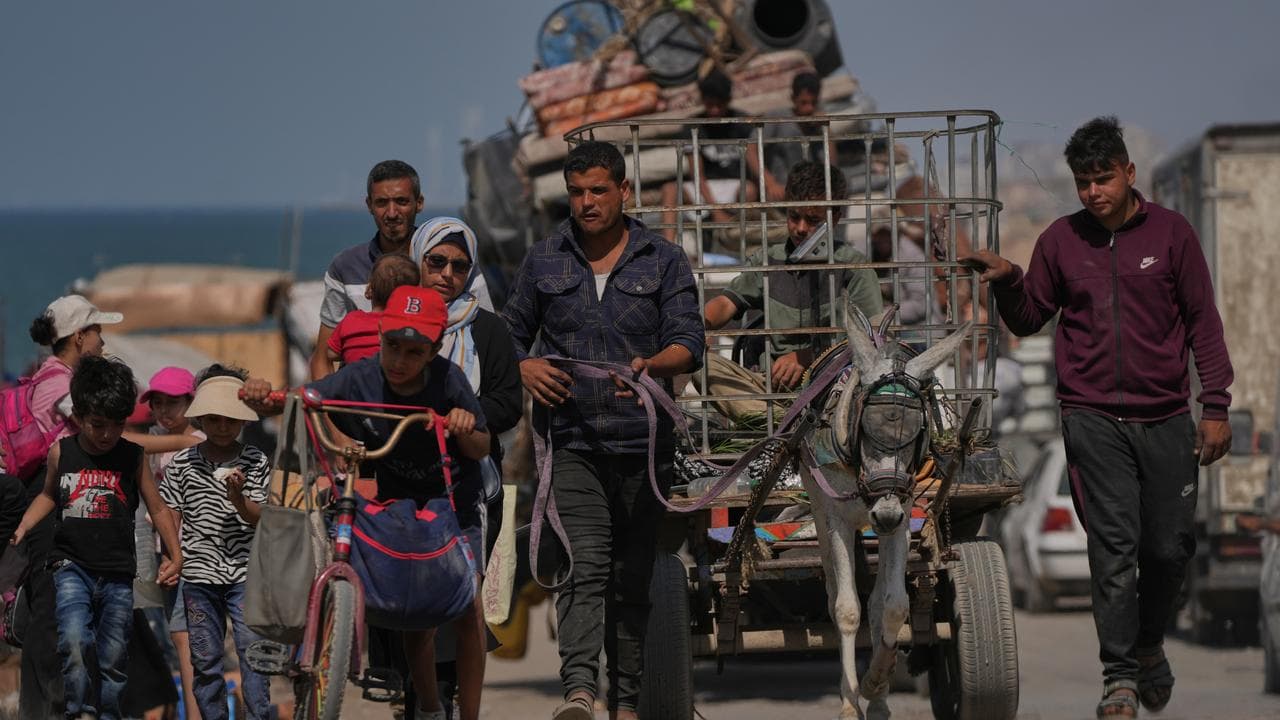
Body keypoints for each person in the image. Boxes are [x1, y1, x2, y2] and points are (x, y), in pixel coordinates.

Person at [960, 116, 1234, 719]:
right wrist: (1008, 281)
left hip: (1166, 416)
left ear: (1129, 173)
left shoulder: (1173, 234)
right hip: (1091, 417)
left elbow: (1203, 323)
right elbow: (1029, 317)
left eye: (1102, 178)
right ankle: (1119, 679)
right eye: (1083, 182)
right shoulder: (1060, 241)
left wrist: (1215, 405)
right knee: (1113, 547)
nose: (1092, 192)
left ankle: (1149, 647)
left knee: (1169, 549)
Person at [502, 140, 703, 720]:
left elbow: (689, 341)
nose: (586, 202)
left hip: (644, 447)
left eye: (597, 190)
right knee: (584, 565)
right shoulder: (544, 260)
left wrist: (652, 366)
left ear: (623, 191)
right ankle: (579, 694)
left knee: (631, 577)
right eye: (576, 192)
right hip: (572, 445)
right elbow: (507, 336)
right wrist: (525, 366)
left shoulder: (663, 259)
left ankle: (627, 702)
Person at [246, 285, 491, 720]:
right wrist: (265, 398)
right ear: (379, 336)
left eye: (413, 353)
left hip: (453, 503)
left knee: (468, 608)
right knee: (416, 614)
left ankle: (469, 715)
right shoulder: (358, 378)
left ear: (434, 350)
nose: (399, 361)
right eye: (392, 346)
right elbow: (306, 399)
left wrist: (463, 424)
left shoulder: (448, 379)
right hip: (396, 502)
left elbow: (481, 447)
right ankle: (430, 710)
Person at [11, 356, 183, 720]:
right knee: (74, 640)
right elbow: (48, 495)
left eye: (117, 425)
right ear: (78, 416)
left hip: (118, 572)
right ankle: (80, 711)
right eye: (98, 425)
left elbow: (158, 508)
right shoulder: (63, 453)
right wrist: (24, 525)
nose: (107, 435)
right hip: (71, 567)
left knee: (113, 657)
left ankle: (108, 713)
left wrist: (175, 554)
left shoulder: (132, 457)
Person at [409, 216, 524, 718]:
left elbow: (508, 403)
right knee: (412, 600)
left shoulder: (488, 329)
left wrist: (463, 416)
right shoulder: (398, 324)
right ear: (418, 261)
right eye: (436, 262)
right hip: (406, 481)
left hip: (473, 484)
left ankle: (452, 699)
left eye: (460, 266)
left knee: (461, 599)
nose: (447, 274)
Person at [8, 294, 123, 719]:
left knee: (60, 604)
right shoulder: (60, 385)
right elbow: (98, 429)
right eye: (97, 333)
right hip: (51, 497)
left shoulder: (49, 377)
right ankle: (46, 709)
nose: (101, 342)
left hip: (56, 496)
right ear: (78, 337)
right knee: (51, 608)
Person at [702, 161, 882, 417]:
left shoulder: (854, 269)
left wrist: (808, 357)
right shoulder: (770, 260)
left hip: (834, 388)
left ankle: (786, 422)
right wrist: (697, 327)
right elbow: (726, 302)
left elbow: (873, 338)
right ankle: (778, 420)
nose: (800, 228)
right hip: (768, 387)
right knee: (700, 364)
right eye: (794, 217)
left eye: (813, 220)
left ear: (835, 218)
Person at [160, 368, 271, 720]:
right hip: (197, 577)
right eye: (213, 419)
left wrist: (238, 498)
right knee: (205, 659)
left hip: (245, 576)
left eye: (230, 420)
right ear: (201, 419)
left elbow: (259, 516)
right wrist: (172, 558)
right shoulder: (182, 463)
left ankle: (258, 715)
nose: (222, 427)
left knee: (253, 654)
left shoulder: (256, 460)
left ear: (243, 420)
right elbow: (171, 514)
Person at [308, 160, 425, 380]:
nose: (392, 213)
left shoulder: (442, 262)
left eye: (401, 201)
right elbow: (323, 357)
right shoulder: (345, 267)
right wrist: (330, 401)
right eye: (382, 203)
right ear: (369, 205)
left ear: (419, 203)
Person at [659, 68, 782, 241]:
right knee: (669, 190)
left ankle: (741, 239)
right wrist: (715, 210)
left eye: (720, 105)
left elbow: (753, 158)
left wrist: (770, 183)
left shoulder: (742, 123)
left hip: (735, 185)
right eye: (710, 105)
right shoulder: (693, 127)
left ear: (728, 101)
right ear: (703, 101)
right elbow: (697, 174)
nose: (715, 111)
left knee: (749, 190)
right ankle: (668, 246)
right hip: (704, 186)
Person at [319, 252, 421, 376]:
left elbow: (331, 353)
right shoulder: (407, 327)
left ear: (369, 290)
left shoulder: (352, 320)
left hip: (354, 384)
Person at [761, 71, 837, 189]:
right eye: (804, 103)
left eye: (813, 103)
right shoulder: (777, 118)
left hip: (812, 189)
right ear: (793, 98)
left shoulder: (818, 125)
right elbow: (751, 150)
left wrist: (825, 129)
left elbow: (832, 166)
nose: (809, 108)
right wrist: (770, 183)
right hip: (783, 188)